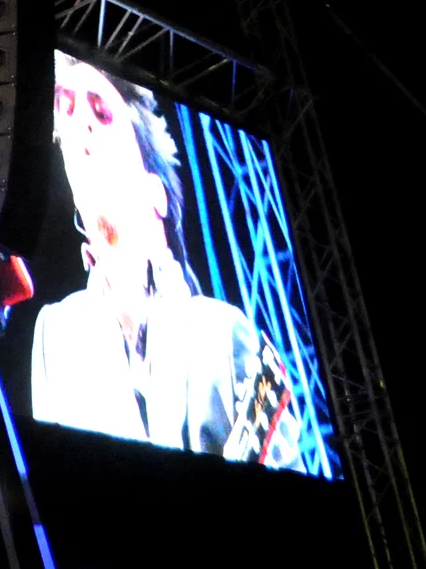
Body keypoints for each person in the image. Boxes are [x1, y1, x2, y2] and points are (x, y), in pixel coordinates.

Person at [31, 54, 306, 470]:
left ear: (155, 192)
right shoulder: (56, 335)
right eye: (67, 112)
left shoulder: (223, 332)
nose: (80, 124)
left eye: (102, 113)